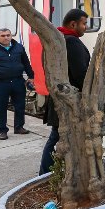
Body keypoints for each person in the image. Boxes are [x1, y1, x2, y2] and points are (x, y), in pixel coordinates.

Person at [39, 9, 90, 175]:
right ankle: (46, 172)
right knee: (57, 138)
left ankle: (47, 172)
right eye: (84, 23)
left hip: (58, 98)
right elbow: (80, 73)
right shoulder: (72, 42)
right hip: (69, 101)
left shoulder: (56, 40)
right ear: (73, 24)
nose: (85, 27)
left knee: (57, 136)